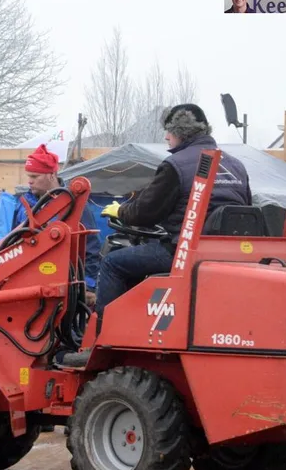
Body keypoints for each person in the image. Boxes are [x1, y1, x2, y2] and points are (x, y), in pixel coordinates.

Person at [96, 104, 251, 326]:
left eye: (169, 131)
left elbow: (145, 213)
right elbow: (245, 207)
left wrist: (120, 211)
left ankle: (105, 333)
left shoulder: (176, 165)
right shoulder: (237, 166)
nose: (166, 137)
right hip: (228, 253)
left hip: (185, 252)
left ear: (181, 132)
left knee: (113, 263)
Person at [12, 144, 102, 307]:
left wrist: (88, 286)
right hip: (28, 285)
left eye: (35, 176)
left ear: (52, 175)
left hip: (63, 286)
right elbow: (12, 245)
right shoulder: (23, 206)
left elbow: (91, 248)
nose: (29, 181)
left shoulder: (74, 206)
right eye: (29, 176)